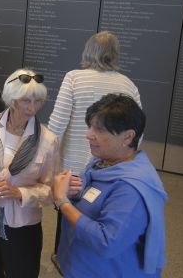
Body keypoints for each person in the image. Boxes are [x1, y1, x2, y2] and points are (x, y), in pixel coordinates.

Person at [48, 31, 142, 258]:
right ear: (115, 54)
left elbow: (56, 126)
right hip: (109, 171)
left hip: (72, 167)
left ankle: (64, 258)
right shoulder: (128, 85)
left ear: (87, 51)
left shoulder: (73, 78)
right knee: (99, 215)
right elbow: (137, 135)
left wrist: (45, 164)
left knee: (66, 208)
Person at [53, 94, 167, 277]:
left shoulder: (131, 190)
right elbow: (93, 201)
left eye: (99, 129)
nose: (88, 134)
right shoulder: (102, 162)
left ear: (128, 137)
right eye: (90, 126)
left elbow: (106, 242)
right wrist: (75, 193)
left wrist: (62, 201)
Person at [0, 68, 59, 278]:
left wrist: (20, 193)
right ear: (11, 99)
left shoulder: (47, 141)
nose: (32, 107)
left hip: (22, 225)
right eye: (25, 101)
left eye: (37, 101)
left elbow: (51, 190)